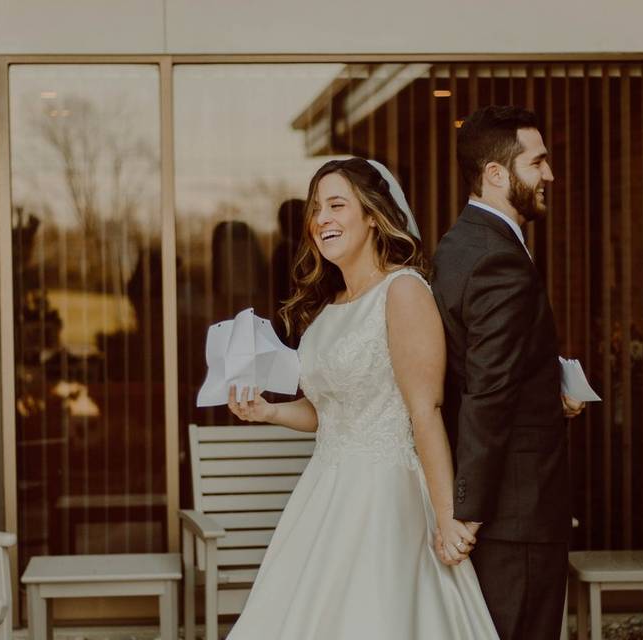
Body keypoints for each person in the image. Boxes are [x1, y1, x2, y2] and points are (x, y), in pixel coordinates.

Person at [224, 157, 498, 639]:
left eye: (336, 205)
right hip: (324, 495)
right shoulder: (328, 310)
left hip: (384, 497)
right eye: (316, 209)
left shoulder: (403, 291)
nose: (322, 219)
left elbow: (424, 411)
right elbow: (328, 412)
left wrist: (447, 517)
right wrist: (268, 410)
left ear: (372, 215)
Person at [430, 105, 584, 640]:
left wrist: (550, 391)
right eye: (537, 163)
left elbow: (481, 367)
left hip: (501, 506)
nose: (550, 175)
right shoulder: (499, 259)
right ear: (496, 174)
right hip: (514, 510)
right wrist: (467, 513)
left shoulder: (458, 246)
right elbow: (486, 390)